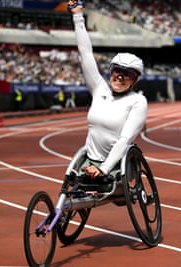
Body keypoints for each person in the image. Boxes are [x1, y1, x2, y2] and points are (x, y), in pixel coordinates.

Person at [67, 0, 147, 179]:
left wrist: (104, 168)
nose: (120, 76)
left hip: (116, 165)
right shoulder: (99, 88)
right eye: (117, 70)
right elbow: (85, 53)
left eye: (127, 74)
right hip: (89, 159)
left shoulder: (137, 101)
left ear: (135, 80)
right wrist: (78, 16)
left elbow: (126, 139)